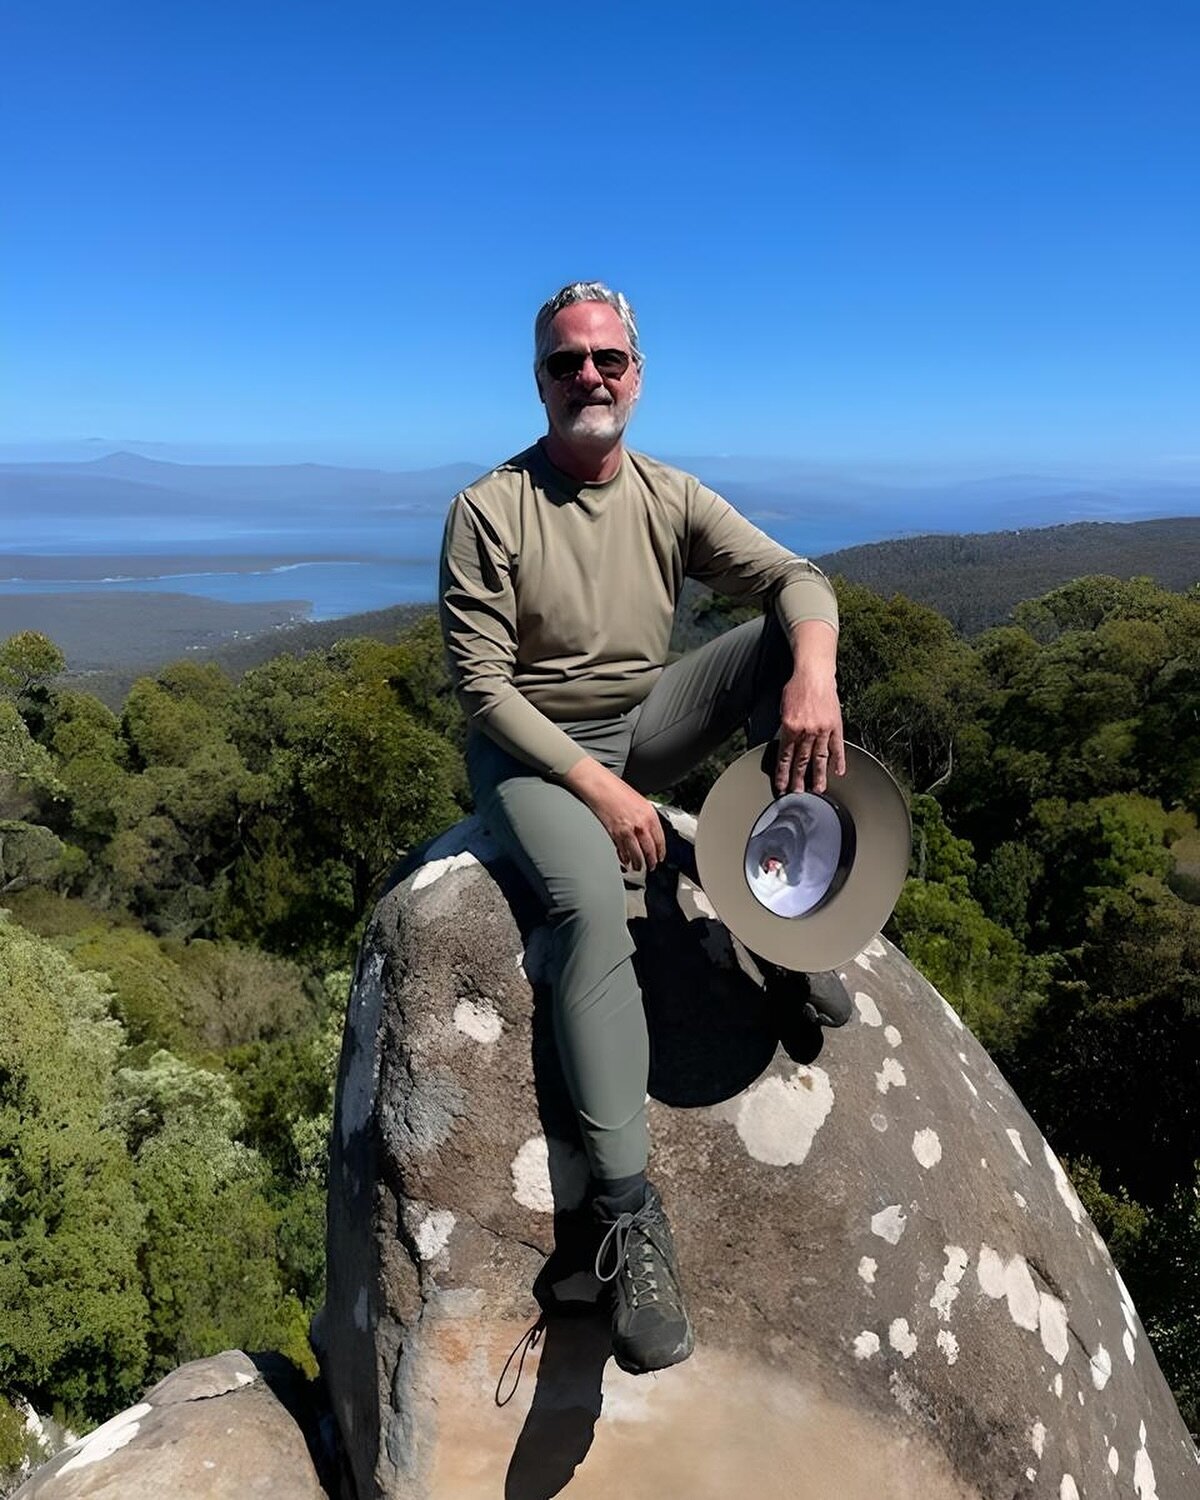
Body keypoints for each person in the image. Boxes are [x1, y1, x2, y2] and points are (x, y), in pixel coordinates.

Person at [438, 281, 846, 1376]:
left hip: (642, 721)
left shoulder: (669, 494)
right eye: (567, 362)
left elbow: (795, 578)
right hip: (533, 754)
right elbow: (483, 690)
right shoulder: (491, 508)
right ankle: (627, 1217)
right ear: (540, 380)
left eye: (608, 358)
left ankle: (786, 929)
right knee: (589, 914)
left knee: (778, 645)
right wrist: (603, 792)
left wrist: (814, 665)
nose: (590, 377)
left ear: (638, 372)